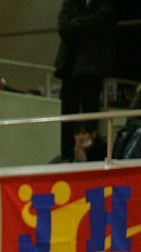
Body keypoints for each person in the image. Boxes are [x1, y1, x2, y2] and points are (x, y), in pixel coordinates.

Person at [54, 0, 116, 162]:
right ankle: (68, 156)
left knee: (90, 114)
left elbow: (100, 22)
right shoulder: (71, 2)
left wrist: (74, 23)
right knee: (67, 114)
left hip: (92, 66)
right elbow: (63, 27)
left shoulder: (104, 4)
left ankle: (91, 155)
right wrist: (81, 26)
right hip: (69, 65)